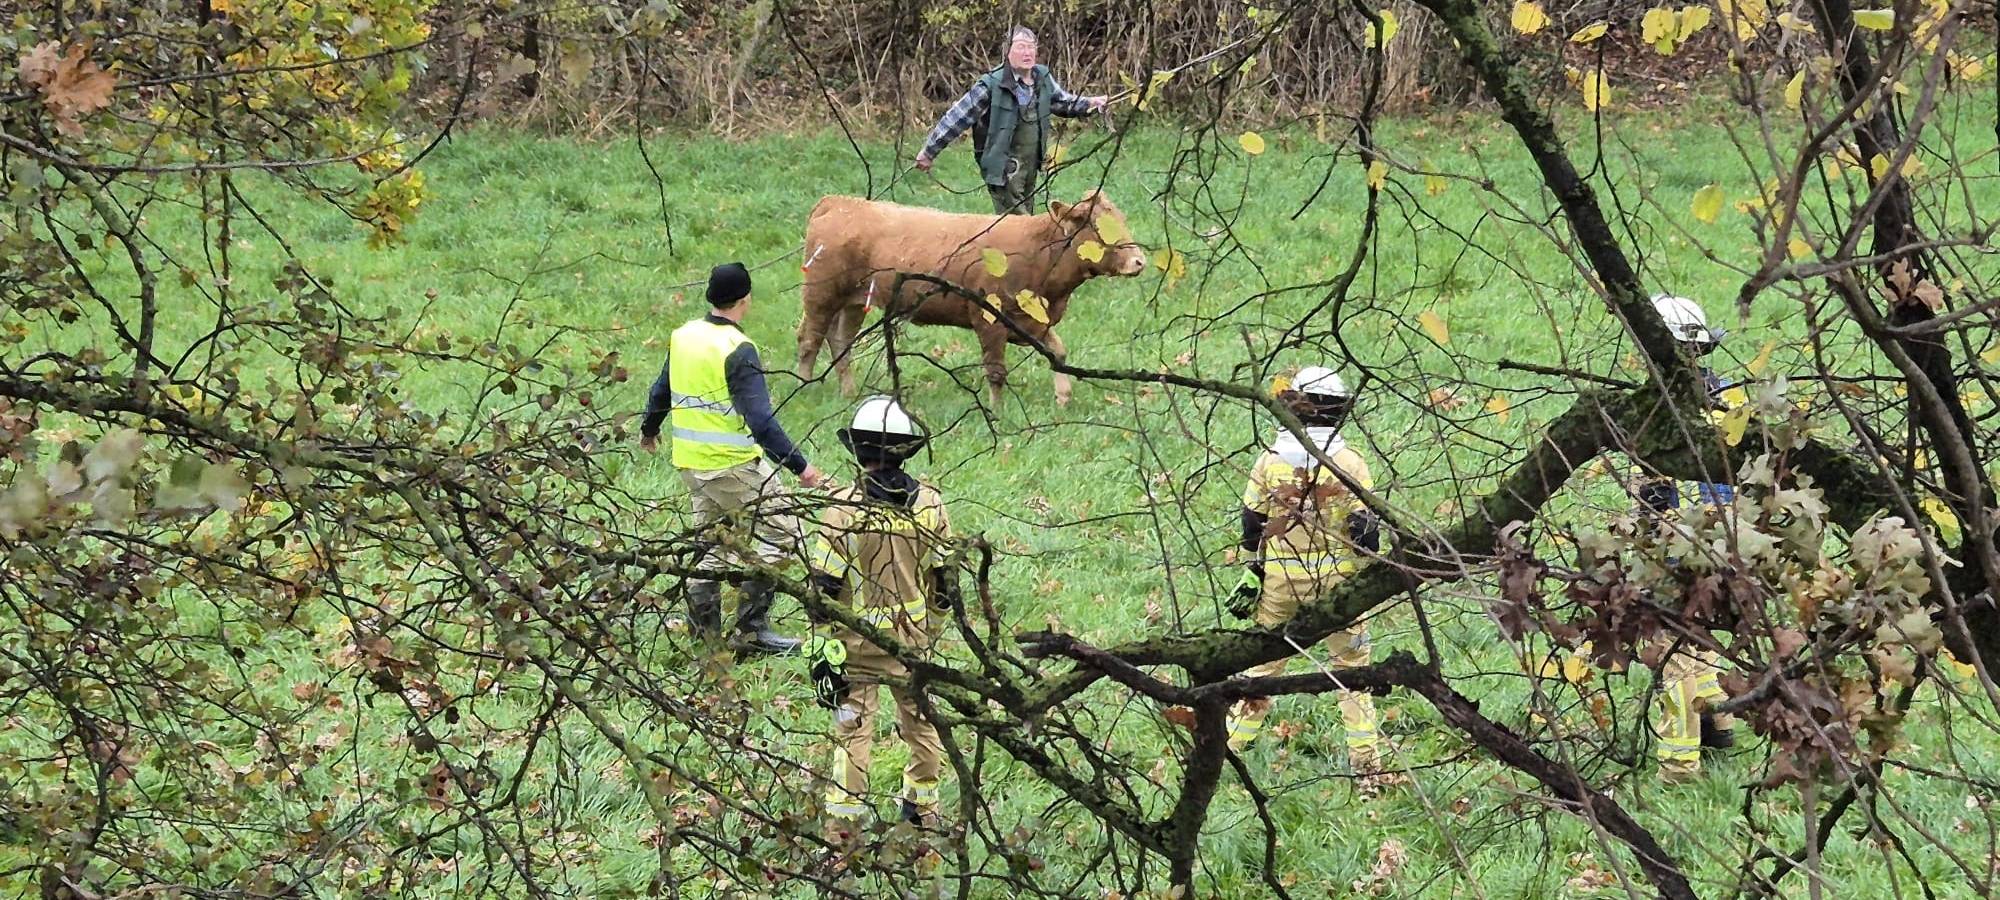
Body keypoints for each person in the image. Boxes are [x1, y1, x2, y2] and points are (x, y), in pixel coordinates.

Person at [640, 262, 826, 656]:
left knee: (708, 545)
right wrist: (802, 467)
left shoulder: (685, 336)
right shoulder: (738, 349)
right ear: (746, 299)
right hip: (731, 466)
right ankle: (751, 632)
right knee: (784, 534)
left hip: (691, 464)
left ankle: (704, 635)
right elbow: (761, 422)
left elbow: (661, 389)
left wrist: (649, 429)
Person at [1223, 367, 1395, 790]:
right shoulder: (1350, 462)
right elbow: (1365, 532)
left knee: (1261, 671)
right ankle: (1367, 767)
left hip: (1280, 586)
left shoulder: (1270, 460)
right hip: (1340, 589)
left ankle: (1226, 751)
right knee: (1353, 673)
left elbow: (1251, 523)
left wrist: (1254, 566)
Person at [802, 396, 957, 830]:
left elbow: (822, 589)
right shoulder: (931, 504)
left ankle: (844, 828)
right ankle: (923, 812)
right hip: (913, 645)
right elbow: (945, 584)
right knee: (923, 723)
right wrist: (930, 631)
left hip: (856, 647)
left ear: (858, 450)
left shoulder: (844, 507)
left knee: (853, 730)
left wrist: (821, 649)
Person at [1639, 292, 1741, 782]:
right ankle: (1720, 729)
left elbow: (1657, 499)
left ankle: (1680, 765)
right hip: (1727, 545)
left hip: (1678, 549)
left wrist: (1651, 551)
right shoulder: (1724, 398)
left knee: (1673, 655)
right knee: (1704, 639)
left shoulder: (1664, 410)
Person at [914, 26, 1109, 215]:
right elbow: (957, 118)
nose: (1027, 52)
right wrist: (929, 151)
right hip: (1003, 170)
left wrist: (1091, 103)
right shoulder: (991, 84)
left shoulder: (1041, 78)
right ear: (1007, 51)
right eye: (1021, 47)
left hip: (1031, 167)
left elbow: (1062, 103)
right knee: (1018, 226)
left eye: (1031, 47)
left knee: (1024, 221)